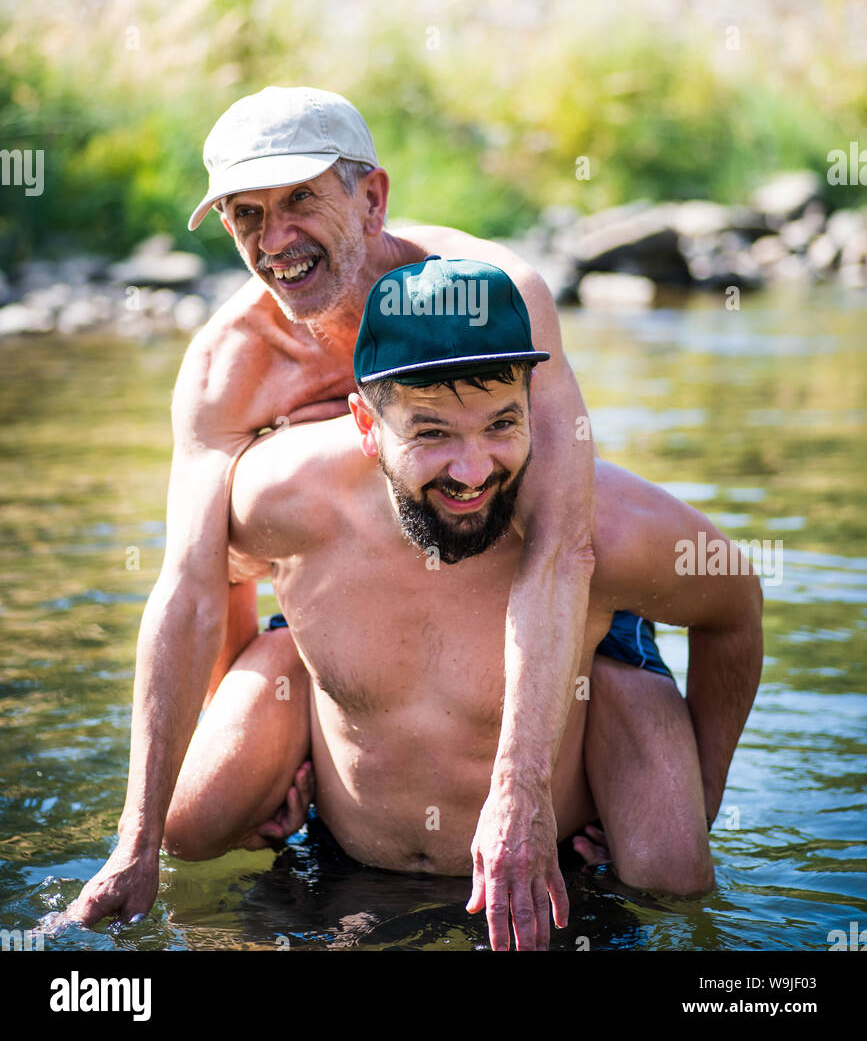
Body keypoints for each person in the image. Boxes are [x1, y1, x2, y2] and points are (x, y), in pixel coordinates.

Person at [66, 86, 670, 945]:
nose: (275, 242)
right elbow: (193, 586)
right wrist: (139, 843)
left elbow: (561, 548)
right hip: (346, 603)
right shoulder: (226, 366)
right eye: (246, 216)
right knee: (191, 829)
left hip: (529, 580)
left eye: (299, 201)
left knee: (670, 874)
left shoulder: (491, 298)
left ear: (372, 196)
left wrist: (523, 788)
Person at [162, 258, 763, 952]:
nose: (472, 471)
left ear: (534, 406)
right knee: (193, 826)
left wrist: (706, 793)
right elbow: (217, 579)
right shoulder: (285, 496)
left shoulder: (615, 528)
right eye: (432, 433)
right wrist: (261, 749)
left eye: (499, 425)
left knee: (674, 877)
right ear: (365, 423)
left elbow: (735, 611)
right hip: (353, 857)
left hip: (565, 849)